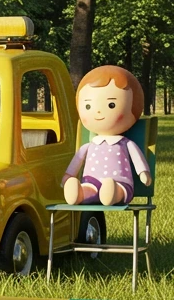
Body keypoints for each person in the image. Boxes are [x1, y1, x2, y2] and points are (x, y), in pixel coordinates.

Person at [63, 65, 151, 206]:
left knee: (116, 189)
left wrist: (143, 172)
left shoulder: (125, 143)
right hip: (91, 181)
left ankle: (113, 193)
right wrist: (69, 176)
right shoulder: (89, 146)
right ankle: (77, 193)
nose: (98, 112)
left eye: (111, 105)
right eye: (88, 106)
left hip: (119, 181)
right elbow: (77, 160)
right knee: (87, 189)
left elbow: (138, 159)